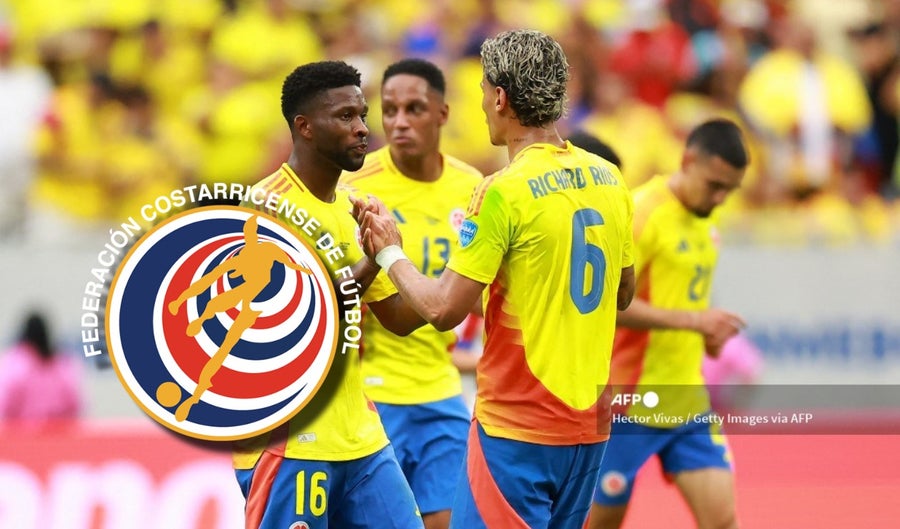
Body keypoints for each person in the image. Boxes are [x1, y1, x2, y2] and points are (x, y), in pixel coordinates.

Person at [354, 29, 636, 529]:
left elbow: (442, 309)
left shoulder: (501, 191)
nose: (482, 104)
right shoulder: (608, 178)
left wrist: (390, 251)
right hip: (589, 428)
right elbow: (623, 293)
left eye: (484, 91)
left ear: (501, 97)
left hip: (518, 426)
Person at [232, 60, 426, 529]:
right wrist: (373, 258)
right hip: (289, 442)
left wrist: (466, 273)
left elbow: (398, 317)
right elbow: (302, 317)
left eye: (362, 115)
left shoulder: (353, 207)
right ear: (305, 127)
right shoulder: (266, 206)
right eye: (345, 116)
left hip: (361, 437)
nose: (362, 129)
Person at [340, 58, 482, 529]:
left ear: (442, 113)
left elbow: (482, 294)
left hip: (442, 390)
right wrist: (443, 293)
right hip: (370, 394)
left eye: (414, 109)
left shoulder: (473, 189)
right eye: (390, 110)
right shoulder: (355, 189)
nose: (399, 121)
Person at [588, 118, 749, 529]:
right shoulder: (642, 213)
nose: (721, 198)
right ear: (688, 160)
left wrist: (707, 332)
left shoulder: (706, 217)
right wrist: (694, 321)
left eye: (730, 190)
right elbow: (608, 305)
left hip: (687, 400)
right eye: (715, 185)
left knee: (723, 521)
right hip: (627, 401)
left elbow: (685, 297)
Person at [0, 311, 82, 421]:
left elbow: (6, 405)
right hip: (57, 429)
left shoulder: (16, 363)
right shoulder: (62, 365)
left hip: (23, 430)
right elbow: (74, 404)